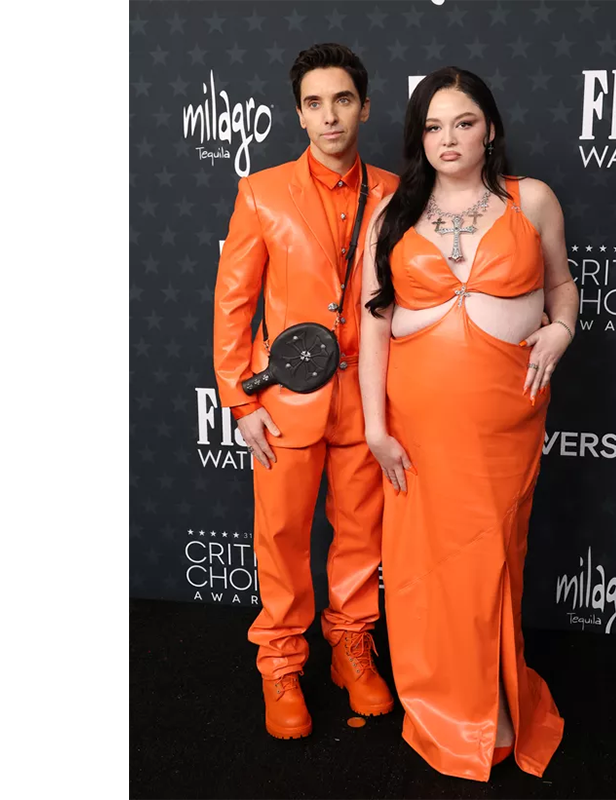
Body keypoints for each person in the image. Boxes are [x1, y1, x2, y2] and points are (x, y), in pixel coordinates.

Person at [359, 67, 578, 781]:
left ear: (490, 129)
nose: (447, 138)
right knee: (430, 567)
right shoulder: (391, 214)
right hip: (417, 423)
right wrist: (375, 429)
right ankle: (453, 708)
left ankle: (497, 699)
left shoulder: (531, 199)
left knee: (493, 557)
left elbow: (561, 285)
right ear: (417, 137)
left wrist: (562, 329)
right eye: (432, 126)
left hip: (505, 418)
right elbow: (373, 329)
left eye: (463, 122)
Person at [213, 43, 399, 740]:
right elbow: (233, 303)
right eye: (315, 103)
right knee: (283, 537)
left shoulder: (396, 191)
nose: (330, 116)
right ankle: (282, 663)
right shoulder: (260, 192)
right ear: (298, 114)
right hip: (284, 402)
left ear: (365, 108)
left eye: (342, 100)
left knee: (361, 534)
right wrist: (240, 399)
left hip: (369, 398)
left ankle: (351, 644)